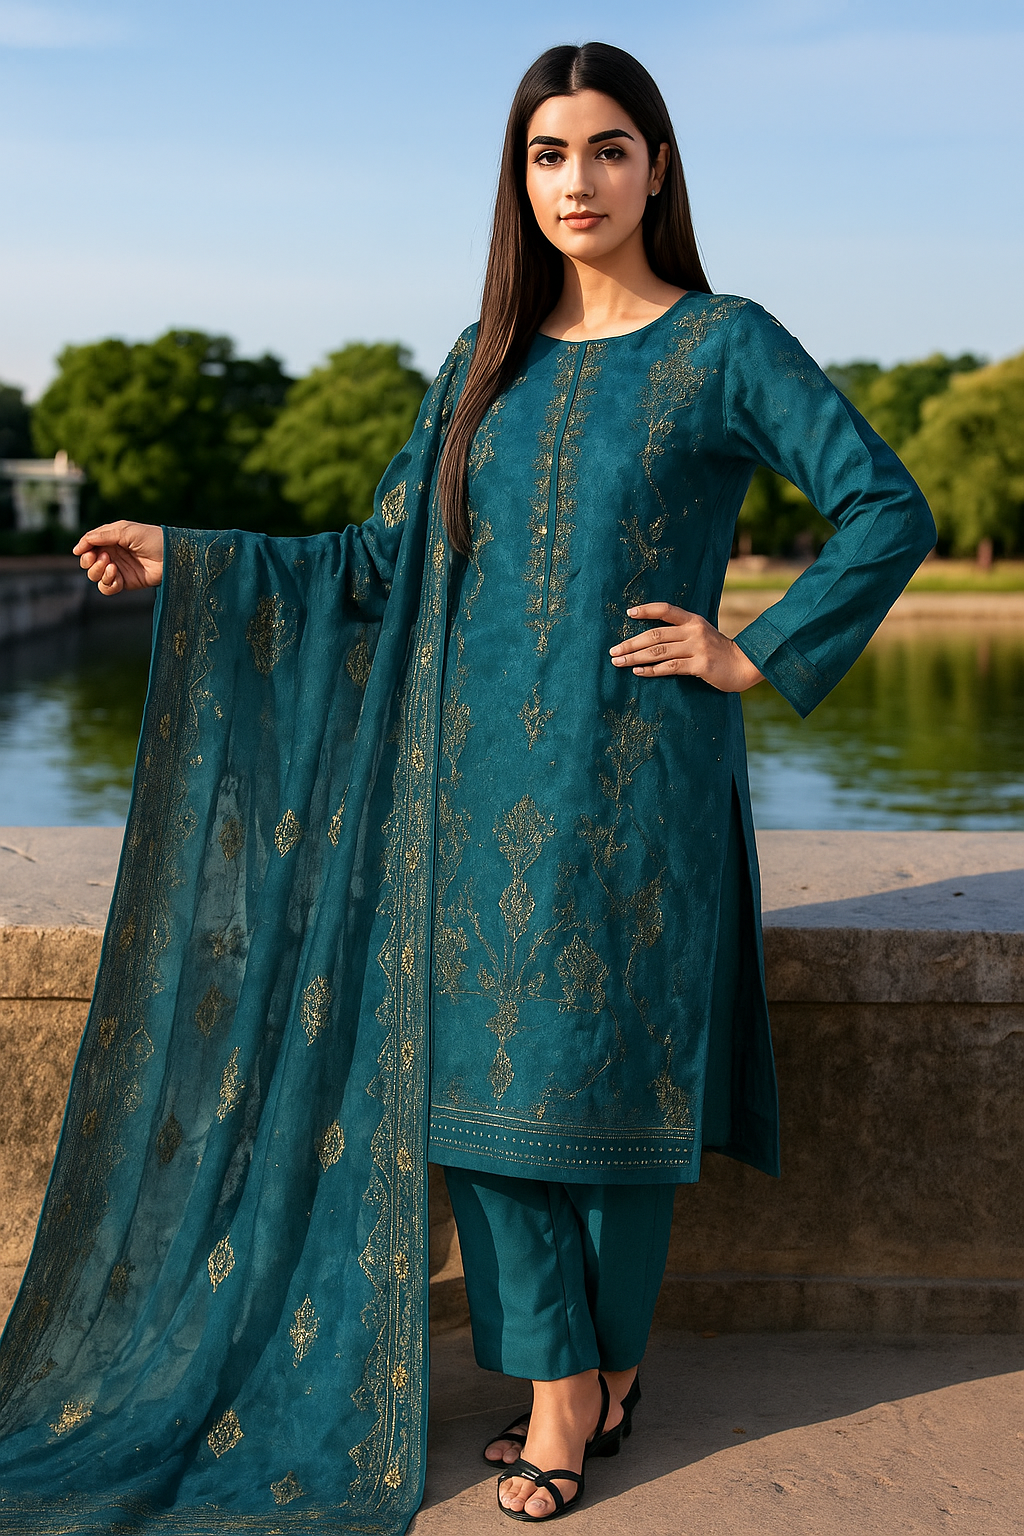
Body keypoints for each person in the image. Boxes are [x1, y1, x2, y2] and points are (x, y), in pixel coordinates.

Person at [0, 40, 934, 1534]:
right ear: (520, 177)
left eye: (609, 148)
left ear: (659, 168)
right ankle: (569, 1381)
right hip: (464, 781)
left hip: (639, 784)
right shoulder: (482, 361)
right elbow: (382, 563)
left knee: (606, 1086)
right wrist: (194, 555)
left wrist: (755, 650)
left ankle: (594, 1376)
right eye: (549, 154)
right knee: (479, 1099)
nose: (580, 181)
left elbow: (888, 504)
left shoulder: (724, 345)